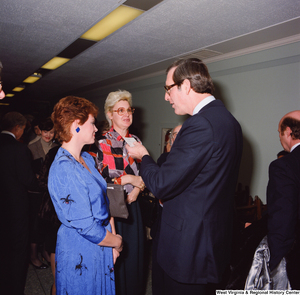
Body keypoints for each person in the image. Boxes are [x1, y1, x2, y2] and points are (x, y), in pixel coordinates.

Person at [127, 58, 243, 295]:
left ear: (186, 85)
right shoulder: (229, 122)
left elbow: (161, 184)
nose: (166, 98)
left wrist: (144, 156)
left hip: (188, 248)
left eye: (168, 89)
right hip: (208, 242)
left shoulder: (201, 124)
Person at [48, 96, 123, 294]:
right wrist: (117, 241)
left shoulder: (87, 159)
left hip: (101, 242)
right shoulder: (64, 168)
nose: (96, 129)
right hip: (81, 247)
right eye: (92, 123)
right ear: (76, 125)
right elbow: (86, 226)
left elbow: (104, 202)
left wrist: (112, 241)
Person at [95, 90, 146, 295]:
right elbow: (103, 182)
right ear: (110, 114)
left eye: (129, 110)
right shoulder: (101, 143)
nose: (126, 114)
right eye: (120, 110)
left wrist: (137, 188)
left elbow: (147, 175)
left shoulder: (136, 141)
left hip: (135, 209)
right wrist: (132, 180)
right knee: (117, 265)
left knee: (136, 261)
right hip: (114, 212)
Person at [0, 112, 38, 295]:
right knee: (17, 251)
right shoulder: (19, 148)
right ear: (17, 128)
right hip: (15, 208)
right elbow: (28, 180)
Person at [267, 110, 300, 289]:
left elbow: (283, 219)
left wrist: (273, 264)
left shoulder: (284, 166)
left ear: (288, 132)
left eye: (279, 132)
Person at [152, 124, 182, 295]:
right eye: (175, 134)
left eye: (182, 133)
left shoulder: (194, 158)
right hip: (162, 224)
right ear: (170, 139)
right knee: (158, 273)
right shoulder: (165, 158)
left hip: (182, 228)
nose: (178, 136)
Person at [28, 117, 57, 268]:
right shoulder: (31, 147)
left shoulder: (56, 147)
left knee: (46, 224)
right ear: (40, 131)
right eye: (46, 131)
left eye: (51, 132)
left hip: (49, 193)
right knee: (34, 224)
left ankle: (46, 252)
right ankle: (33, 256)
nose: (48, 135)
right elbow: (27, 172)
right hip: (35, 192)